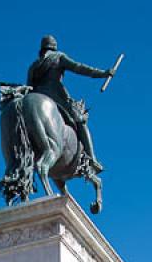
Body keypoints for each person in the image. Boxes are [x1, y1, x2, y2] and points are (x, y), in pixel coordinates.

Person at [27, 35, 111, 173]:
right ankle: (92, 159)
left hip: (37, 95)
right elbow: (79, 68)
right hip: (56, 95)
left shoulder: (34, 66)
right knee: (80, 120)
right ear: (54, 46)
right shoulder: (59, 57)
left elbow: (29, 87)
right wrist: (102, 73)